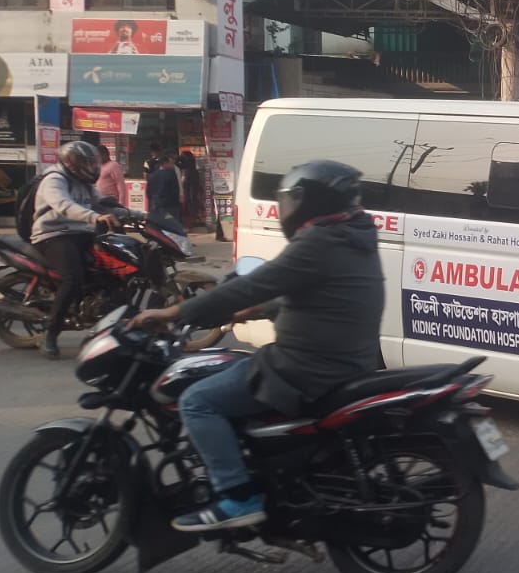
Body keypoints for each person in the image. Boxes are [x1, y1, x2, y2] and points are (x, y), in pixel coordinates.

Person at [130, 161, 385, 532]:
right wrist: (262, 310)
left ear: (308, 201)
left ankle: (237, 498)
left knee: (197, 401)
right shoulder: (354, 236)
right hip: (342, 361)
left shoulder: (319, 240)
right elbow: (323, 296)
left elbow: (253, 284)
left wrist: (174, 312)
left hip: (303, 368)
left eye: (289, 201)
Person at [31, 141, 122, 360]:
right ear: (72, 164)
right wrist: (94, 217)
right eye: (86, 163)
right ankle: (49, 334)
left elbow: (99, 202)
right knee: (73, 278)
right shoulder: (54, 180)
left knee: (112, 270)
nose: (91, 168)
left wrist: (134, 214)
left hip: (81, 232)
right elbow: (64, 205)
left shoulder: (85, 182)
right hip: (54, 235)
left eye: (93, 163)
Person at [145, 151, 183, 230]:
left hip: (156, 204)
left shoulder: (153, 175)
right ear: (165, 163)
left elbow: (148, 191)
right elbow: (175, 189)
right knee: (173, 224)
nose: (172, 165)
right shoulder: (171, 174)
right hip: (170, 204)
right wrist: (178, 200)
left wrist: (152, 201)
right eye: (171, 163)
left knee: (160, 224)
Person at [177, 150, 206, 229]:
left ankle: (192, 216)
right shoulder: (191, 166)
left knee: (190, 199)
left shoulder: (187, 167)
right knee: (192, 199)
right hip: (191, 188)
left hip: (190, 188)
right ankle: (193, 215)